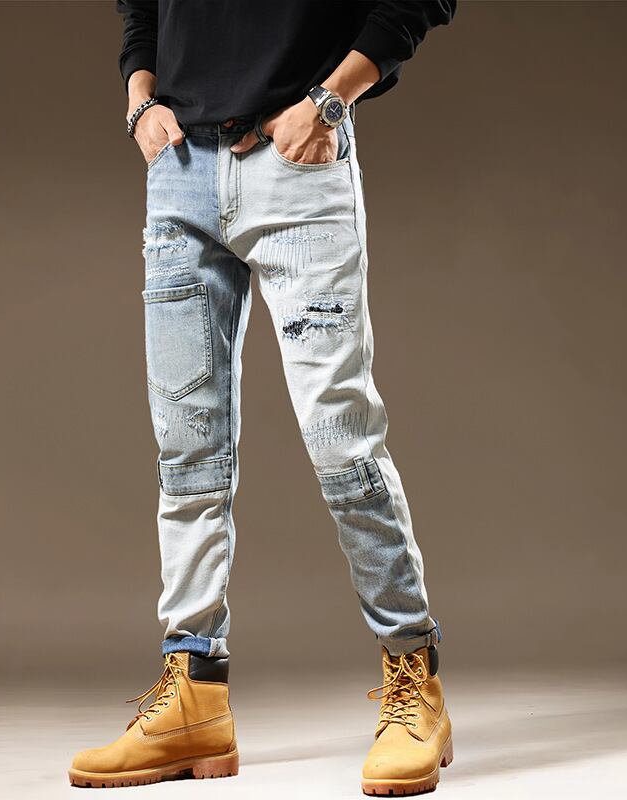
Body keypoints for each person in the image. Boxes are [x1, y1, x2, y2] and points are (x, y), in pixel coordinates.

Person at [69, 1, 456, 794]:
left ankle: (413, 676)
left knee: (343, 444)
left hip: (298, 165)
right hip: (179, 170)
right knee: (187, 453)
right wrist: (140, 98)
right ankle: (194, 694)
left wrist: (331, 102)